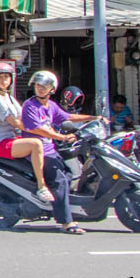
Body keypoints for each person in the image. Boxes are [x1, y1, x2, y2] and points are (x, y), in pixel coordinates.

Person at [19, 70, 100, 234]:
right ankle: (66, 222)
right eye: (38, 85)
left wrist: (93, 118)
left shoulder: (50, 106)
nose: (40, 89)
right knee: (60, 180)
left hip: (50, 150)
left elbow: (68, 117)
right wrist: (60, 137)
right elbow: (37, 129)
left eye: (45, 86)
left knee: (70, 174)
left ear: (52, 89)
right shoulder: (30, 105)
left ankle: (55, 204)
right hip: (37, 151)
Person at [0, 62, 63, 207]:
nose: (4, 80)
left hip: (10, 139)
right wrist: (45, 132)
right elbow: (16, 123)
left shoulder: (9, 97)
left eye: (7, 76)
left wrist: (47, 128)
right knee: (36, 144)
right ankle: (41, 186)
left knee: (40, 142)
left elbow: (25, 117)